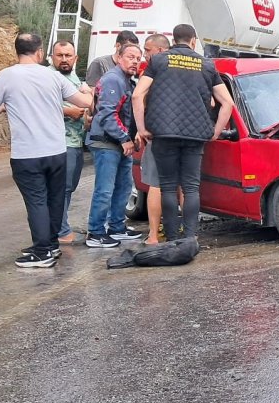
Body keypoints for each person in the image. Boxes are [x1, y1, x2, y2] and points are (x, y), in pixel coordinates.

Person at [0, 32, 94, 268]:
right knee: (53, 199)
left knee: (36, 201)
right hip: (56, 150)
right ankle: (51, 245)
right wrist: (87, 90)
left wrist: (4, 107)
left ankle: (42, 252)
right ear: (41, 52)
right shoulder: (52, 76)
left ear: (17, 51)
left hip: (27, 153)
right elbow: (84, 102)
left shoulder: (5, 76)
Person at [132, 23, 235, 244]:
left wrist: (141, 128)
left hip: (163, 133)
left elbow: (137, 95)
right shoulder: (207, 65)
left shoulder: (158, 61)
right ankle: (190, 237)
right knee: (190, 187)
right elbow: (227, 102)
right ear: (193, 41)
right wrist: (215, 131)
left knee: (167, 186)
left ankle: (170, 237)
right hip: (196, 135)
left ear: (174, 39)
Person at [85, 43, 145, 248]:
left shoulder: (128, 81)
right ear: (118, 57)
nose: (135, 61)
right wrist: (124, 138)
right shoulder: (113, 79)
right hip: (106, 143)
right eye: (130, 57)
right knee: (105, 189)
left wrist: (133, 134)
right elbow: (107, 114)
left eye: (138, 58)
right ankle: (95, 232)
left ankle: (117, 227)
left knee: (124, 186)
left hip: (119, 143)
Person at [49, 41, 93, 244]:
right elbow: (38, 106)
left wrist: (86, 117)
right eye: (60, 55)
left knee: (69, 187)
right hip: (57, 142)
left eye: (68, 55)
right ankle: (60, 230)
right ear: (51, 57)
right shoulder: (47, 77)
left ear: (76, 58)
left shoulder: (74, 78)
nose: (64, 59)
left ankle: (59, 227)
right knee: (61, 188)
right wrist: (69, 111)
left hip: (75, 141)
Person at [139, 33, 173, 245]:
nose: (145, 54)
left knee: (156, 184)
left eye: (148, 50)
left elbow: (138, 97)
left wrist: (141, 128)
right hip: (185, 136)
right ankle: (184, 231)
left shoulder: (153, 69)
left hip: (158, 134)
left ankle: (153, 234)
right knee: (183, 185)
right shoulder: (189, 68)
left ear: (160, 51)